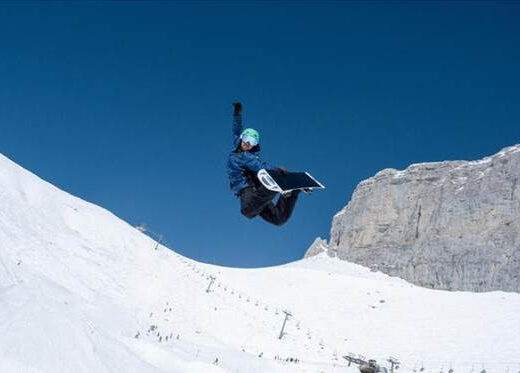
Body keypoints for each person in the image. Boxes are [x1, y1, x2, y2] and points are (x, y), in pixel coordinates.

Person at [227, 102, 300, 226]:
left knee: (247, 211)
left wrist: (276, 172)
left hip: (248, 189)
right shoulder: (238, 144)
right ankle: (291, 193)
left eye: (252, 142)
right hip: (259, 196)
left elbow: (260, 167)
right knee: (278, 219)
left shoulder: (246, 156)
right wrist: (237, 113)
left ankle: (272, 187)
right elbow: (236, 130)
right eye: (246, 139)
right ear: (242, 138)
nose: (248, 144)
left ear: (254, 145)